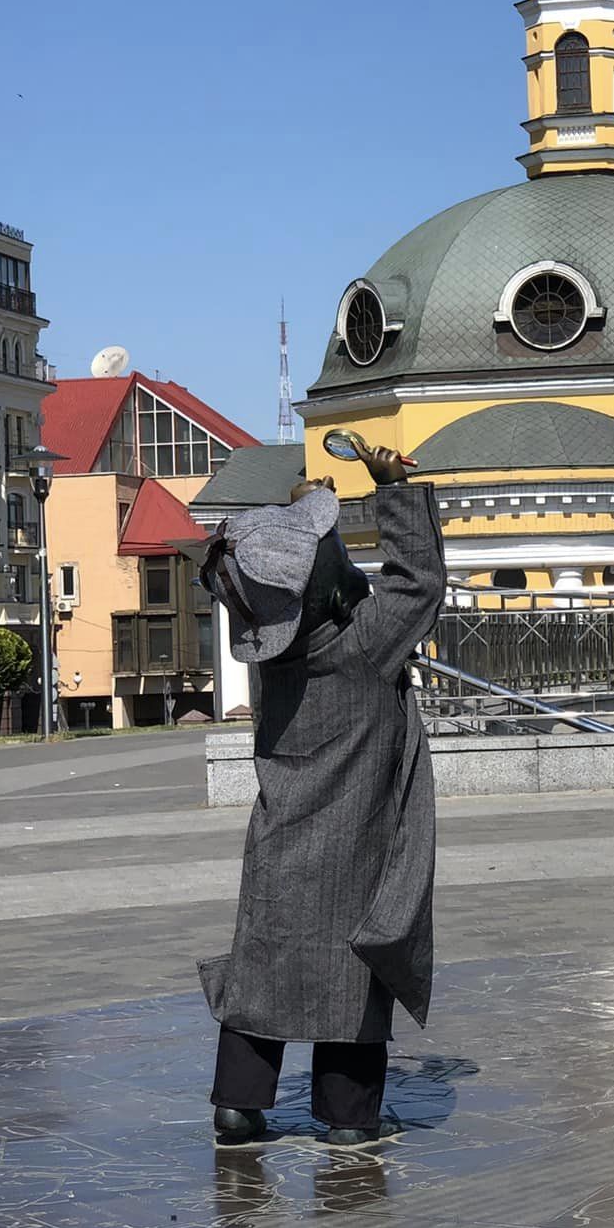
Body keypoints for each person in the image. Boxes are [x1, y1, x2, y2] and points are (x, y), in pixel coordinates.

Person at [195, 440, 443, 1145]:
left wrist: (308, 523)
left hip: (279, 841)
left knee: (263, 969)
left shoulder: (276, 658)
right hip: (356, 845)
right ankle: (347, 1118)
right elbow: (416, 582)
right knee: (354, 971)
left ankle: (239, 1106)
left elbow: (283, 584)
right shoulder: (363, 647)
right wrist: (391, 490)